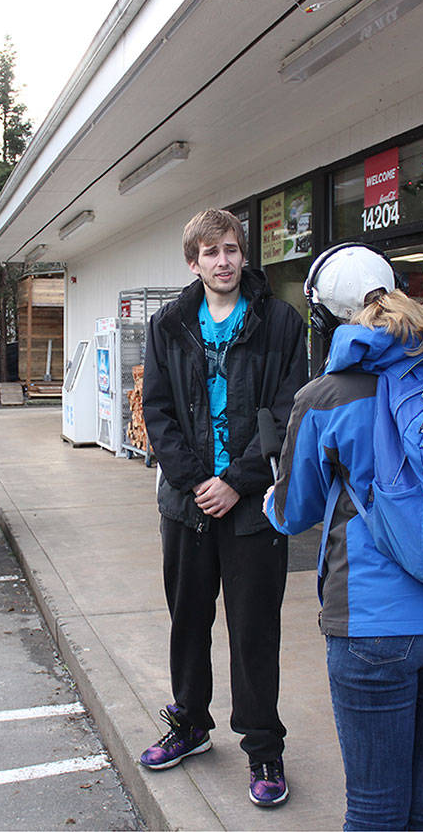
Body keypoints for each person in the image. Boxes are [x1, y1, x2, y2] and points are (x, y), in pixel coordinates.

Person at [263, 244, 423, 830]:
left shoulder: (326, 397)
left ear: (327, 316)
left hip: (375, 624)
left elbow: (293, 514)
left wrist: (270, 493)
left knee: (375, 811)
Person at [139, 208, 307, 807]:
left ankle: (263, 747)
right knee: (188, 621)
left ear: (243, 254)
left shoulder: (280, 322)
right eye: (211, 252)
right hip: (187, 507)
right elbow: (156, 412)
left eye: (231, 249)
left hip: (253, 507)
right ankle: (190, 724)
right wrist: (195, 483)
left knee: (254, 630)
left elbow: (289, 412)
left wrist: (237, 481)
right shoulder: (168, 325)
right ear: (194, 262)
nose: (224, 261)